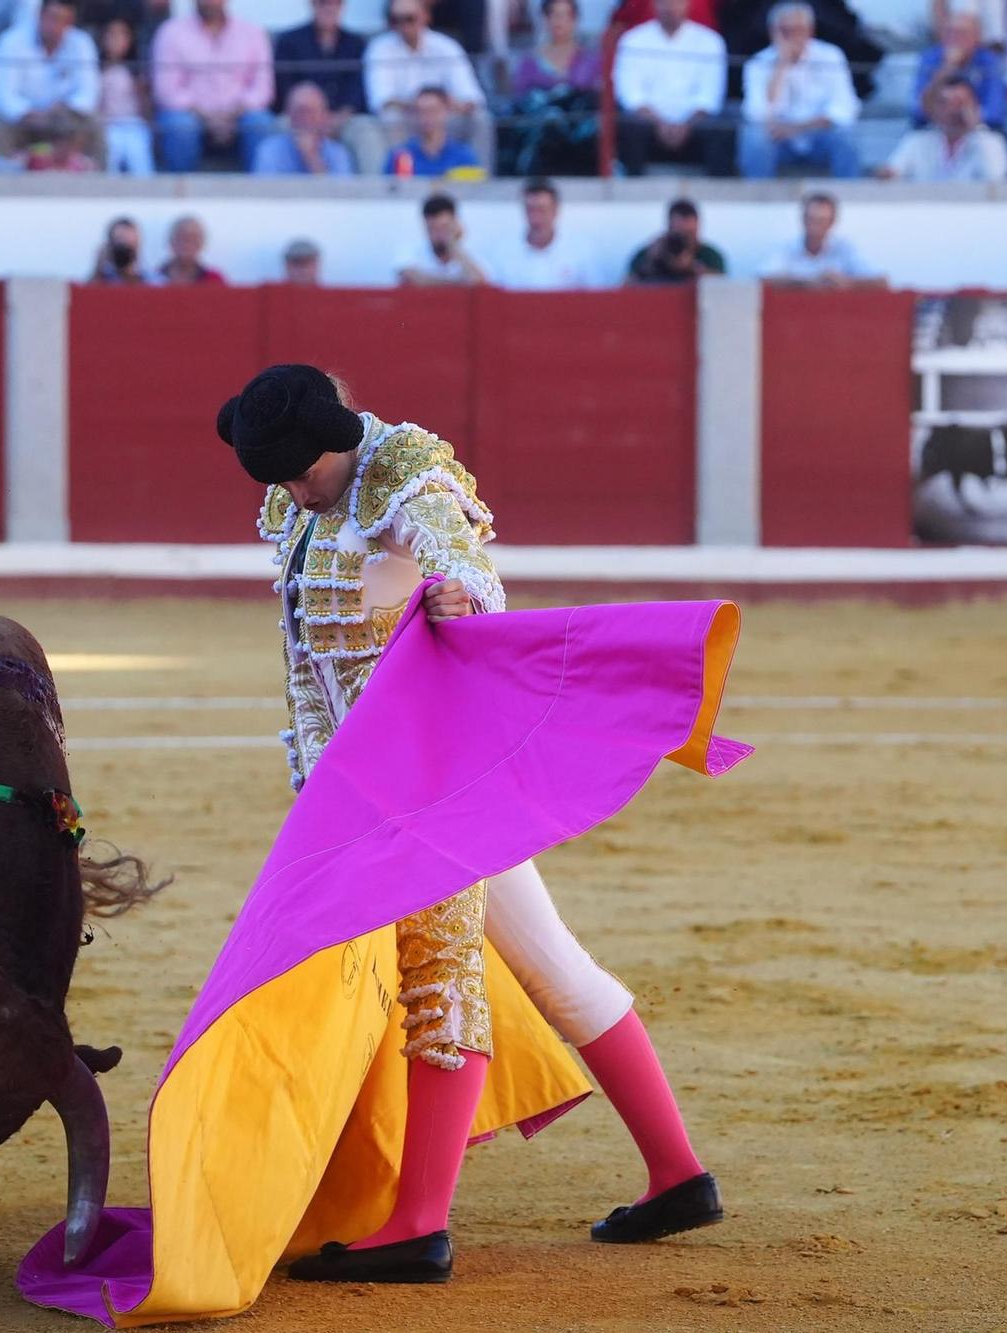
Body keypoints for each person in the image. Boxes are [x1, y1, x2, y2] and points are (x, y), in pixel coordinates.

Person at [211, 364, 723, 1286]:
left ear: (337, 441)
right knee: (557, 969)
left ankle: (418, 1225)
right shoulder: (294, 510)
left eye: (300, 474)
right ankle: (679, 1174)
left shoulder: (405, 471)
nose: (291, 493)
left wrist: (461, 596)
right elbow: (302, 655)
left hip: (432, 783)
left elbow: (467, 566)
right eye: (277, 480)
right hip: (358, 798)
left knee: (437, 974)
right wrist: (315, 792)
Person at [737, 0, 860, 179]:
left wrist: (798, 128)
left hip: (818, 136)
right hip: (779, 141)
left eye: (799, 30)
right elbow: (757, 113)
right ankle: (758, 199)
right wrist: (781, 65)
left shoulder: (830, 56)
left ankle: (850, 198)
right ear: (773, 32)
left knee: (846, 136)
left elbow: (844, 108)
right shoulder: (758, 63)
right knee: (754, 138)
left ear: (810, 31)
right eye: (786, 31)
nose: (793, 37)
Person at [364, 0, 489, 172]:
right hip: (407, 120)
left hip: (445, 118)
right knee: (390, 117)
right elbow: (381, 100)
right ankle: (399, 180)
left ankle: (480, 179)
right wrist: (420, 107)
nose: (403, 25)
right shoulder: (380, 48)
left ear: (425, 16)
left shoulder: (446, 46)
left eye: (409, 18)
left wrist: (440, 107)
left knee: (481, 119)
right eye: (396, 19)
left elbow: (472, 97)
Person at [151, 0, 273, 172]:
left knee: (260, 123)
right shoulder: (171, 33)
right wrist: (207, 118)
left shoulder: (252, 33)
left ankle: (258, 195)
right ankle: (181, 196)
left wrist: (231, 115)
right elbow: (167, 91)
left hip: (239, 115)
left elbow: (262, 89)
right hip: (192, 115)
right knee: (179, 126)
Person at [613, 0, 732, 177]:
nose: (670, 8)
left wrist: (686, 125)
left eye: (676, 3)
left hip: (695, 125)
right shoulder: (633, 39)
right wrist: (660, 123)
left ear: (688, 5)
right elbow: (630, 94)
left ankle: (720, 197)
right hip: (648, 124)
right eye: (665, 3)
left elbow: (710, 95)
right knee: (629, 127)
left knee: (722, 129)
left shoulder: (710, 41)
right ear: (654, 5)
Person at [273, 0, 382, 175]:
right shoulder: (289, 41)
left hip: (342, 120)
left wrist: (335, 119)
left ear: (342, 6)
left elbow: (357, 90)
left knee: (365, 129)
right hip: (301, 117)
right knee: (278, 126)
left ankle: (376, 191)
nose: (328, 7)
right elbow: (285, 91)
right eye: (323, 2)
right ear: (312, 5)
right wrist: (312, 118)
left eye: (334, 3)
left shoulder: (355, 44)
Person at [0, 0, 100, 162]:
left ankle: (97, 182)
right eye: (53, 18)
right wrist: (28, 113)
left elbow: (88, 93)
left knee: (94, 124)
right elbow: (2, 94)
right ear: (40, 15)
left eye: (64, 20)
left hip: (64, 120)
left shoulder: (81, 43)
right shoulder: (11, 41)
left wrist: (64, 110)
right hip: (25, 120)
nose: (57, 25)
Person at [501, 0, 600, 177]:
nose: (558, 21)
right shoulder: (528, 63)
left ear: (575, 20)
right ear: (544, 20)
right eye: (552, 15)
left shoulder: (591, 61)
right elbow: (521, 101)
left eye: (564, 16)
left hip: (580, 133)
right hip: (539, 133)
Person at [879, 76, 1007, 182]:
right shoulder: (916, 141)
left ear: (974, 107)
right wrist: (885, 175)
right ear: (933, 109)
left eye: (960, 103)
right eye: (945, 103)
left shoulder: (992, 142)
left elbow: (996, 179)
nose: (953, 110)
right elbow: (890, 177)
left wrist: (975, 128)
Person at [490, 176, 598, 290]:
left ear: (556, 210)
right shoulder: (504, 251)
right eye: (530, 210)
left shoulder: (580, 250)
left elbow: (597, 297)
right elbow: (494, 295)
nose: (536, 219)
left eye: (542, 210)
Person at [913, 9, 1006, 130]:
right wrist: (943, 72)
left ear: (977, 38)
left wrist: (961, 116)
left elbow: (995, 113)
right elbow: (917, 111)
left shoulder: (989, 62)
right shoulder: (930, 58)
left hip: (977, 128)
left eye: (961, 33)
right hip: (934, 128)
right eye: (949, 33)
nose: (954, 39)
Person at [762, 191, 876, 285]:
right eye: (811, 219)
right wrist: (808, 283)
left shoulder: (845, 248)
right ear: (803, 220)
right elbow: (763, 279)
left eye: (821, 221)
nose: (816, 226)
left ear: (832, 222)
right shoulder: (787, 248)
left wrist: (846, 282)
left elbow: (880, 281)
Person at [252, 80, 353, 174]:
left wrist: (312, 158)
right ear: (289, 115)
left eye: (310, 112)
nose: (305, 118)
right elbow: (266, 191)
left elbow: (338, 192)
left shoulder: (338, 154)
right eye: (300, 111)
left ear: (323, 116)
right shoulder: (270, 150)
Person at [97, 15, 153, 176]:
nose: (116, 40)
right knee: (112, 151)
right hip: (107, 124)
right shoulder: (97, 70)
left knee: (138, 152)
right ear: (103, 38)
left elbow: (146, 110)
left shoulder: (136, 71)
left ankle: (146, 194)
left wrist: (143, 92)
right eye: (112, 34)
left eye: (122, 35)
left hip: (133, 124)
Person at [385, 83, 477, 176]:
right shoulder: (400, 156)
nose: (426, 117)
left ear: (446, 112)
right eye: (420, 111)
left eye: (433, 111)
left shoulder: (463, 156)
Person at [627, 197, 727, 283]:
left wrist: (694, 269)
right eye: (680, 233)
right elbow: (626, 289)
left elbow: (722, 289)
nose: (686, 239)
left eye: (690, 233)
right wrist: (650, 263)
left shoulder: (710, 256)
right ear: (669, 228)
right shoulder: (647, 255)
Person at [397, 192, 484, 286]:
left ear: (455, 223)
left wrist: (454, 246)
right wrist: (460, 284)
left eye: (444, 227)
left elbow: (481, 282)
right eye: (433, 228)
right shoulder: (410, 252)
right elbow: (409, 277)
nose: (438, 234)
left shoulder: (469, 255)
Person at [158, 214, 225, 284]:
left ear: (201, 244)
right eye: (181, 236)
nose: (187, 242)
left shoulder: (215, 281)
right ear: (171, 241)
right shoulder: (152, 279)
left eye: (193, 238)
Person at [88, 215, 153, 283]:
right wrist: (98, 269)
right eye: (119, 241)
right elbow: (86, 292)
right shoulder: (102, 279)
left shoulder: (150, 279)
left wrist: (130, 275)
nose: (124, 250)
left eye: (128, 242)